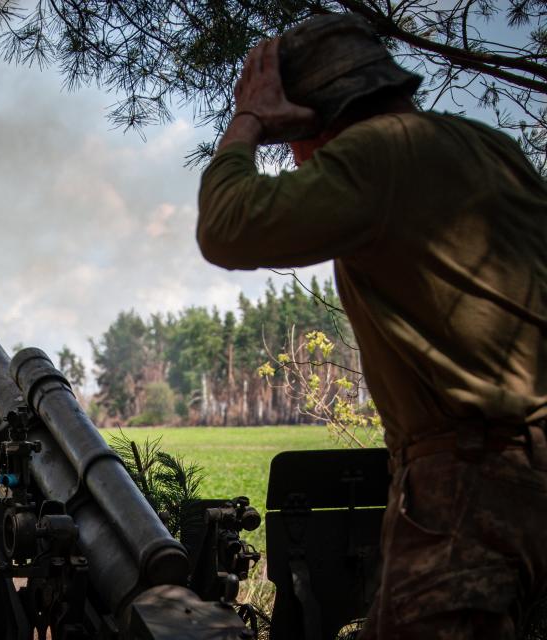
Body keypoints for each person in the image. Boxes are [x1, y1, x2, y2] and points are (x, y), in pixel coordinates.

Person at [196, 13, 547, 639]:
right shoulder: (489, 147)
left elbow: (226, 228)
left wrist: (249, 121)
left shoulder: (378, 153)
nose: (299, 162)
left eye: (294, 142)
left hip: (465, 475)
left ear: (312, 120)